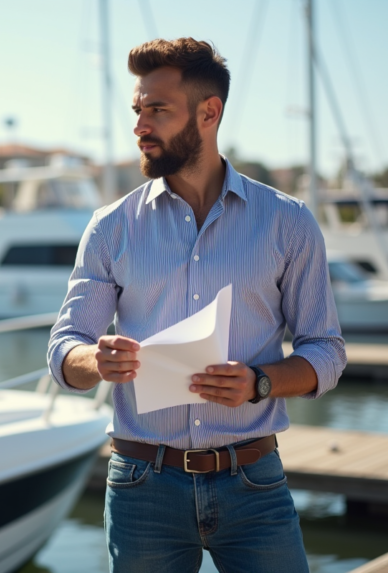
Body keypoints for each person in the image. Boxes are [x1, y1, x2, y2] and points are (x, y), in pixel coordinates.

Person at [47, 37, 346, 573]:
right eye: (138, 110)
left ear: (209, 113)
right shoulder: (109, 227)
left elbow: (325, 350)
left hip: (253, 481)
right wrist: (98, 360)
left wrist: (259, 381)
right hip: (142, 487)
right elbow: (64, 349)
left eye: (157, 110)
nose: (140, 125)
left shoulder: (289, 222)